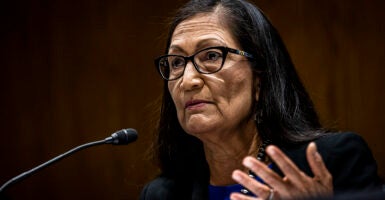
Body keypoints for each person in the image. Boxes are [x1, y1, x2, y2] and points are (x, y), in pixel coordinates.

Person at [140, 0, 383, 199]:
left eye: (212, 55)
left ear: (260, 78)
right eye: (177, 62)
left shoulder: (333, 162)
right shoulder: (162, 194)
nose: (187, 80)